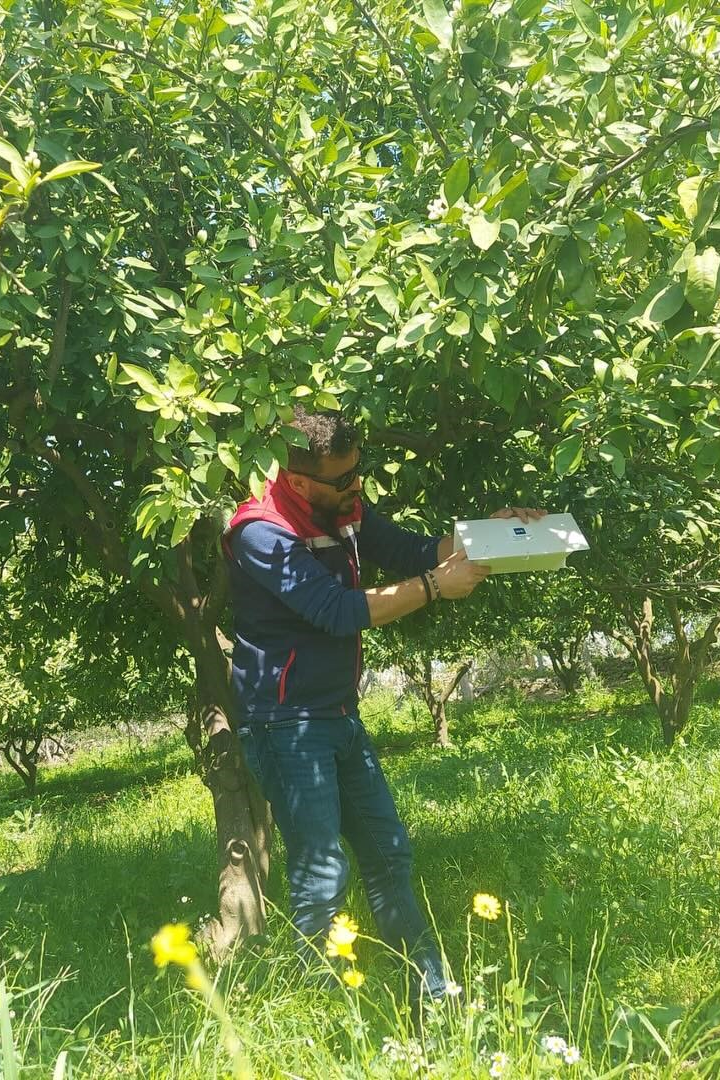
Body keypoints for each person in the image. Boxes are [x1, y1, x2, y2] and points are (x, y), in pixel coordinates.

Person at [222, 407, 546, 1004]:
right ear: (296, 481)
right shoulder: (260, 532)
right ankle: (324, 1011)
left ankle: (431, 984)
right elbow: (336, 610)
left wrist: (492, 535)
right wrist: (433, 589)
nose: (356, 488)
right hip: (286, 724)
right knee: (321, 877)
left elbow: (413, 550)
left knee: (388, 852)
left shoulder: (342, 508)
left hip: (338, 716)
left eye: (358, 473)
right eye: (342, 480)